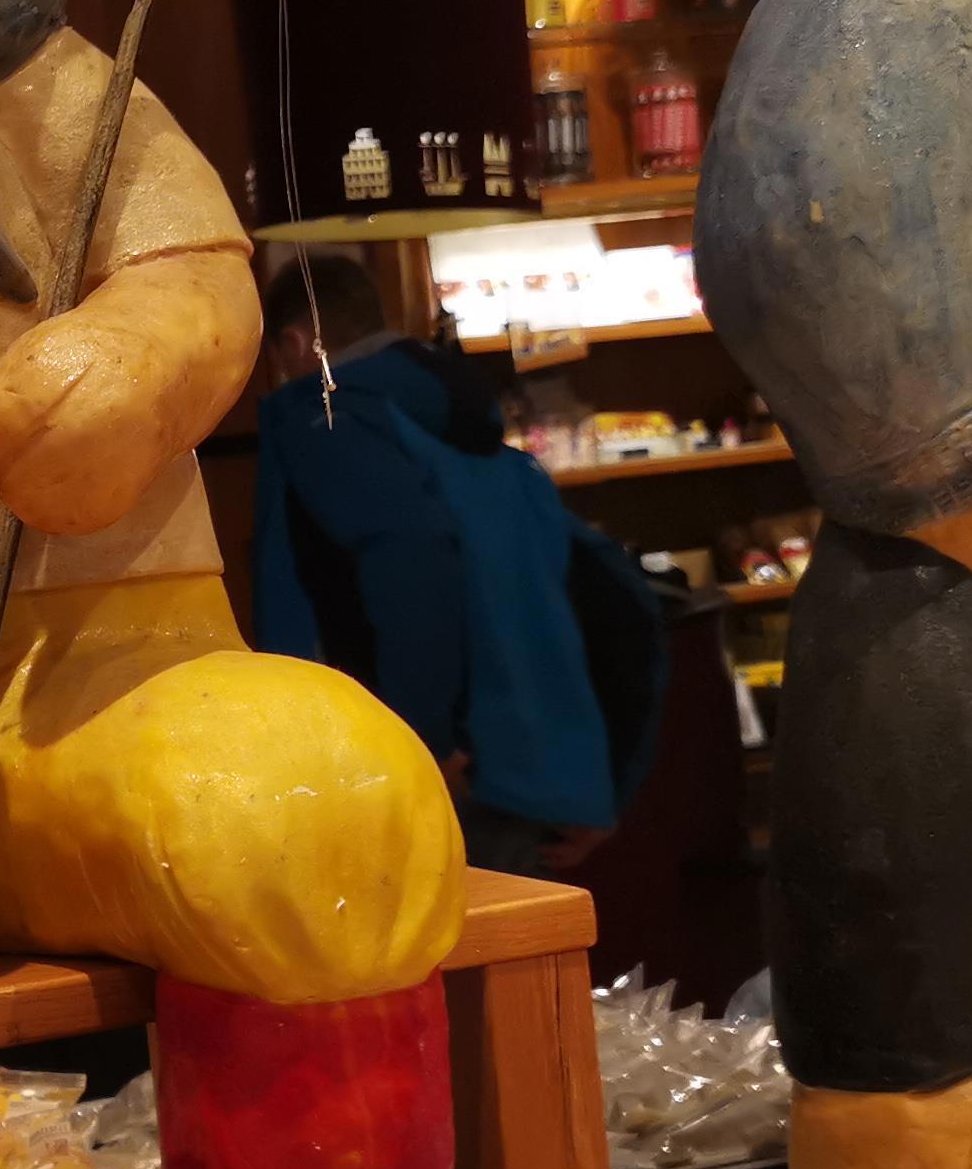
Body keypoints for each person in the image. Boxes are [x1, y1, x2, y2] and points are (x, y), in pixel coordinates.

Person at [249, 252, 667, 873]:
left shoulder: (325, 420)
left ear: (294, 342)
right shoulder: (488, 450)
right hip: (525, 778)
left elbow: (410, 569)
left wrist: (424, 740)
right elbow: (622, 601)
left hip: (402, 773)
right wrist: (605, 787)